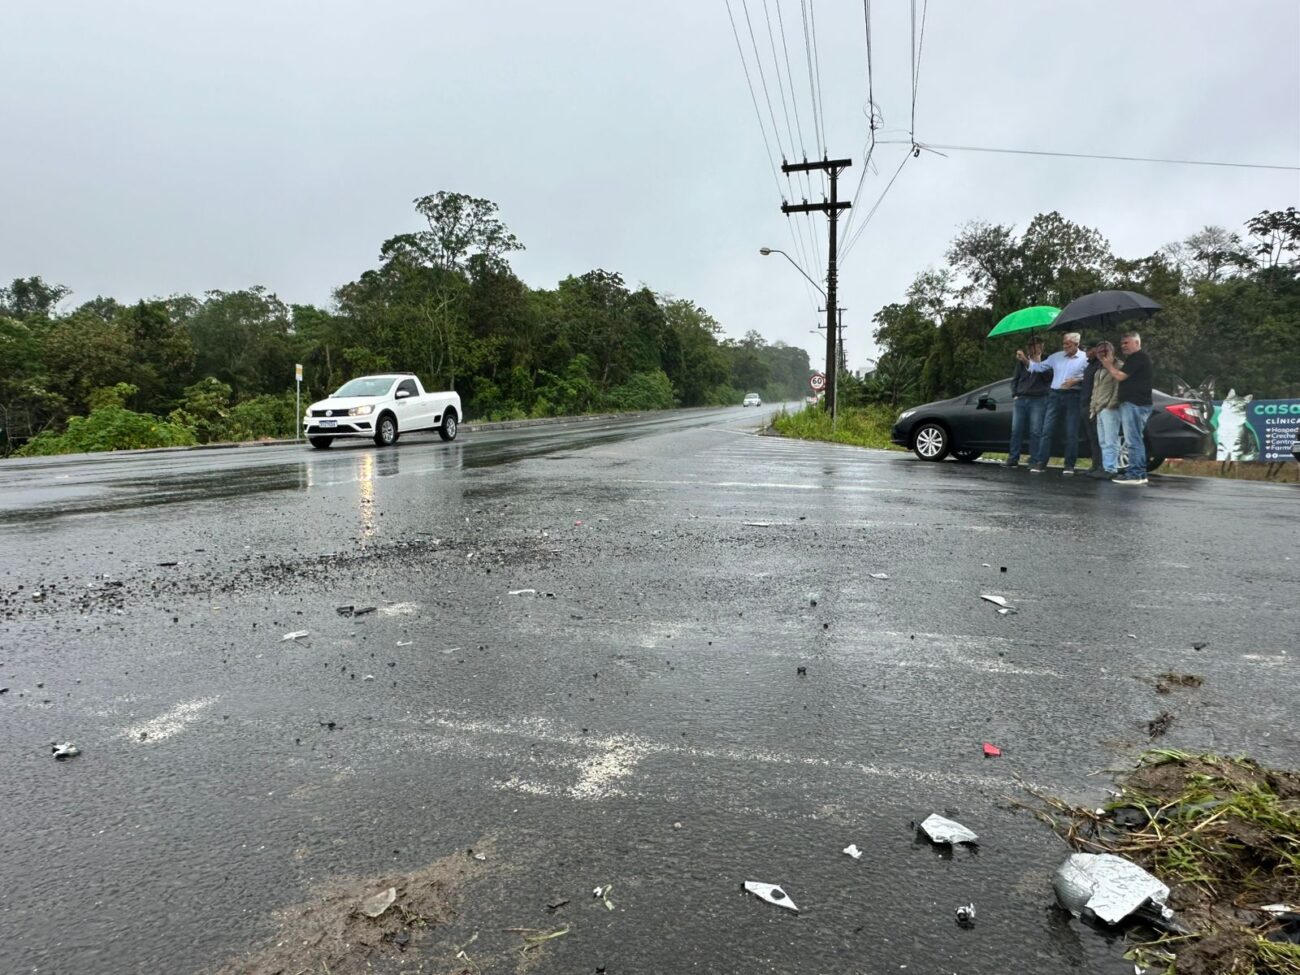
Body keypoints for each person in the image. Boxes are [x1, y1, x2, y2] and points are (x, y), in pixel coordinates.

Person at [1017, 331, 1088, 474]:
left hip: (1073, 395)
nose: (1065, 346)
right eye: (1064, 343)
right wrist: (1025, 359)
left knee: (1071, 431)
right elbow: (1038, 367)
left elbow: (1091, 375)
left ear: (1076, 344)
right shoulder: (1056, 357)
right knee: (1046, 430)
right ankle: (1041, 462)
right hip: (1055, 395)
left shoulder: (1085, 358)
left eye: (1068, 344)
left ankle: (1069, 465)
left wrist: (1077, 380)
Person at [1099, 331, 1154, 485]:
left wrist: (1109, 366)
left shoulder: (1139, 358)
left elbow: (1120, 376)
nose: (1123, 346)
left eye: (1127, 343)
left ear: (1137, 342)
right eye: (1122, 343)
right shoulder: (1134, 358)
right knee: (1135, 439)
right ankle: (1139, 473)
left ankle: (1135, 474)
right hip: (1134, 403)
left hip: (1135, 404)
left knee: (1133, 440)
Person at [1005, 336, 1050, 467]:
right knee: (1016, 430)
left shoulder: (1047, 360)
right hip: (1021, 398)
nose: (1032, 348)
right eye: (1030, 346)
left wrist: (1039, 362)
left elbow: (1048, 378)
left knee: (1035, 430)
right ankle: (1013, 458)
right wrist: (1015, 394)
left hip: (1038, 399)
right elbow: (1015, 379)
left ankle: (1034, 459)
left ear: (1042, 346)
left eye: (1035, 345)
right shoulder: (1020, 362)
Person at [1088, 341, 1123, 479]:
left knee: (1111, 440)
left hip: (1110, 409)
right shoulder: (1099, 370)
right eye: (1099, 352)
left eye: (1104, 351)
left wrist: (1111, 405)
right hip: (1098, 409)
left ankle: (1111, 468)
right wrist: (1093, 408)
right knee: (1102, 441)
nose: (1102, 354)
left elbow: (1118, 389)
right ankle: (1105, 466)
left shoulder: (1118, 366)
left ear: (1111, 351)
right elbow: (1095, 391)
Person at [1077, 340, 1105, 472]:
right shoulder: (1089, 366)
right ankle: (1095, 464)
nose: (1086, 352)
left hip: (1094, 404)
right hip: (1085, 404)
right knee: (1092, 437)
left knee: (1098, 436)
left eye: (1089, 349)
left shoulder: (1100, 365)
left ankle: (1101, 465)